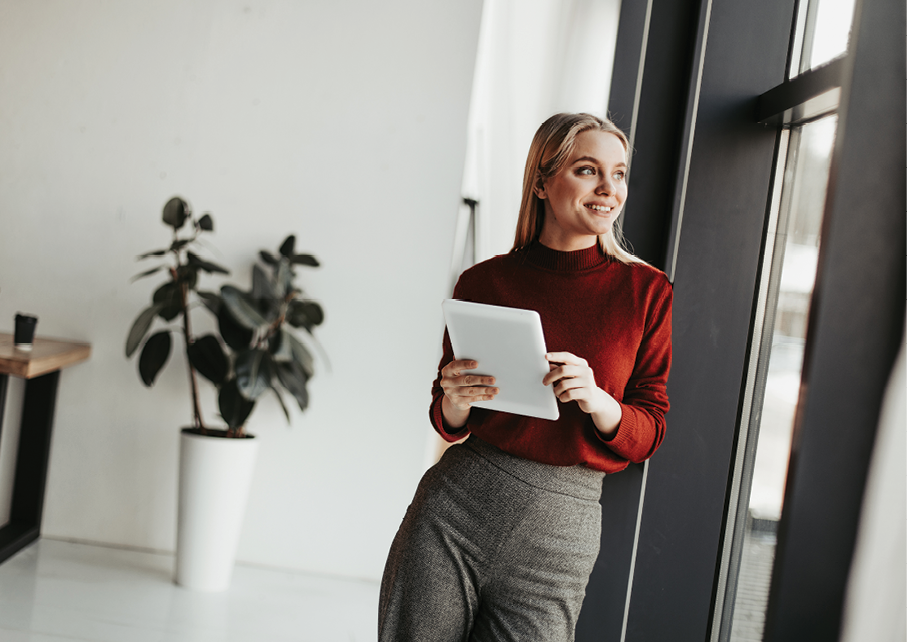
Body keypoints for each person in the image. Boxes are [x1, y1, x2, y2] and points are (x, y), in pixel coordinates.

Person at [378, 112, 673, 642]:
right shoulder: (483, 281)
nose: (610, 189)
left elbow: (649, 431)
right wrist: (454, 400)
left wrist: (599, 400)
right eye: (589, 170)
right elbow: (447, 421)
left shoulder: (646, 292)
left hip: (563, 529)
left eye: (620, 173)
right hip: (455, 507)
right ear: (542, 181)